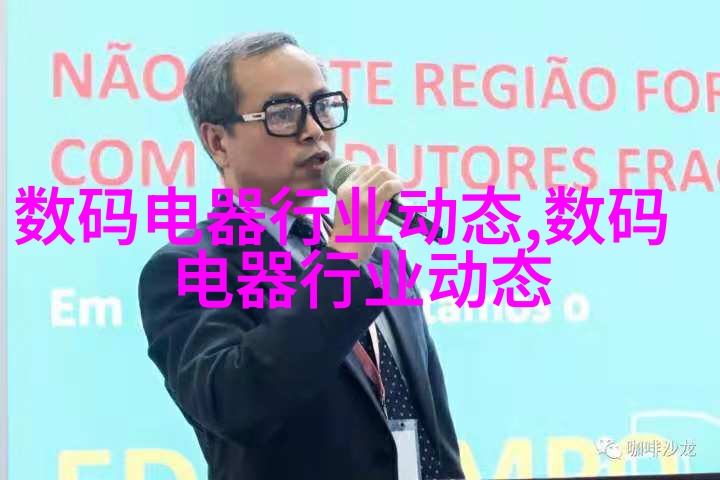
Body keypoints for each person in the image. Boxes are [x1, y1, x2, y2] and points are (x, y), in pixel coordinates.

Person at [138, 31, 465, 480]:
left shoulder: (382, 255)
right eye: (283, 113)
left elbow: (431, 423)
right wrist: (344, 261)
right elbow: (238, 405)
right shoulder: (186, 267)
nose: (313, 130)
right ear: (217, 142)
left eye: (322, 106)